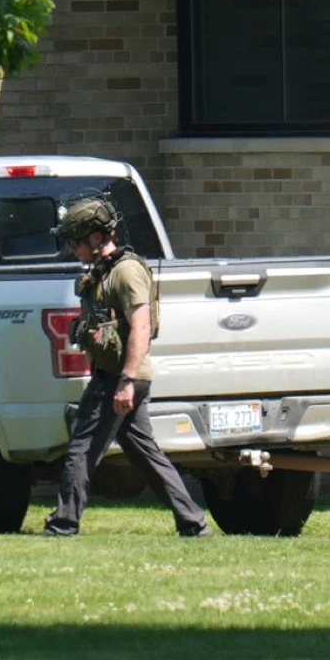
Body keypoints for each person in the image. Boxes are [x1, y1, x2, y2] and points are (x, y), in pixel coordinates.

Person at [43, 197, 213, 538]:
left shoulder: (127, 271)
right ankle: (193, 522)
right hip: (119, 376)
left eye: (76, 241)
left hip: (120, 378)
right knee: (146, 453)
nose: (72, 249)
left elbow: (141, 327)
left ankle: (63, 524)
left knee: (81, 448)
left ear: (95, 237)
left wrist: (126, 380)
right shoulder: (105, 272)